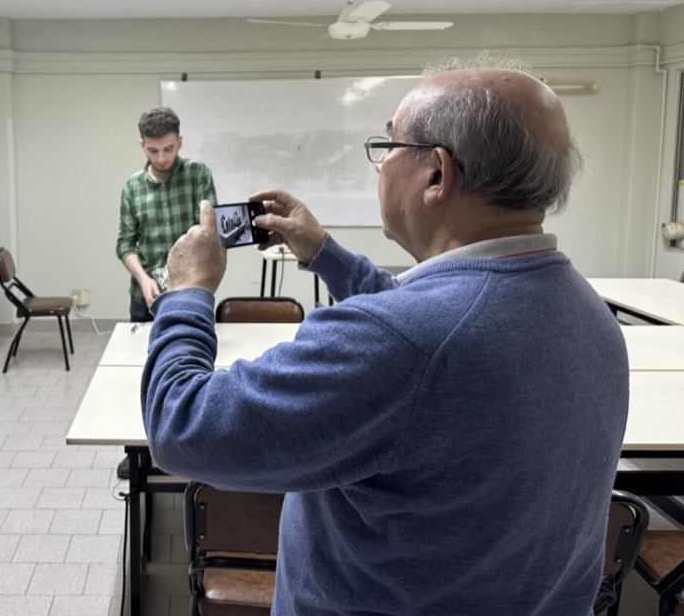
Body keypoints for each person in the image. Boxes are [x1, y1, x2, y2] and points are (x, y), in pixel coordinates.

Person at [141, 63, 629, 616]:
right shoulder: (589, 315)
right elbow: (429, 322)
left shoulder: (400, 343)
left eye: (388, 145)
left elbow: (181, 424)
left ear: (437, 174)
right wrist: (324, 252)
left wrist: (188, 292)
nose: (379, 165)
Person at [116, 107, 217, 322]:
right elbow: (125, 244)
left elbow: (207, 233)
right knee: (141, 345)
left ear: (179, 142)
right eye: (153, 150)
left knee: (191, 344)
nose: (161, 158)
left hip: (191, 292)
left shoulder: (198, 174)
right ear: (142, 145)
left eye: (168, 149)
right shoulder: (132, 187)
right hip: (146, 295)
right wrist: (143, 279)